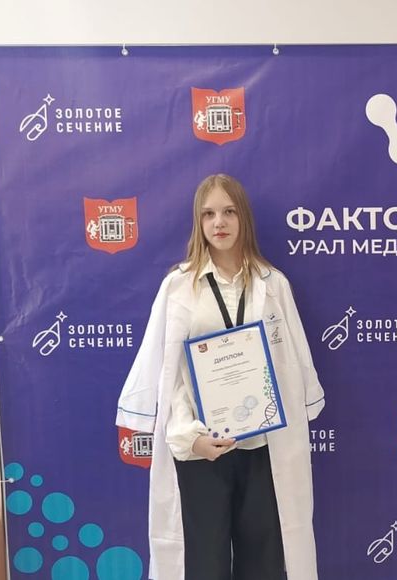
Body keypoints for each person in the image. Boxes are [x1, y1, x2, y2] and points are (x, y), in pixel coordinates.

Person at [116, 174, 325, 580]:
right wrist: (188, 436)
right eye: (208, 214)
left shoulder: (273, 284)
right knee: (203, 566)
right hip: (203, 449)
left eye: (229, 211)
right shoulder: (179, 287)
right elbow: (169, 376)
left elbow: (292, 363)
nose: (219, 222)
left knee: (264, 564)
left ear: (243, 217)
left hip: (262, 448)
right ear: (198, 222)